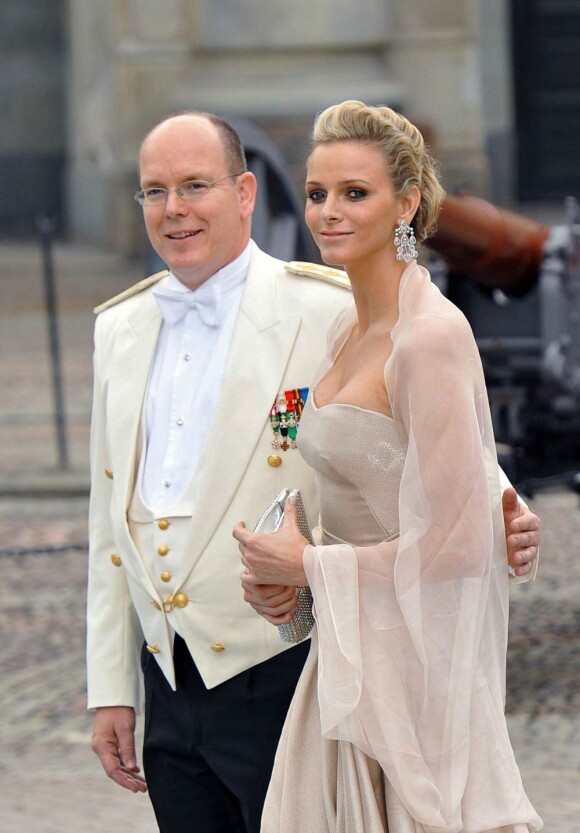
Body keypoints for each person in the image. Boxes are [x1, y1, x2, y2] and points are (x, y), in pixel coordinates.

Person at [87, 110, 540, 833]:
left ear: (243, 193)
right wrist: (109, 685)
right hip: (177, 680)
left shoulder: (321, 307)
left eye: (194, 185)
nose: (173, 208)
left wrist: (504, 511)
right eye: (153, 190)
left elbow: (451, 468)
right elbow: (110, 516)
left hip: (288, 671)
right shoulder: (121, 330)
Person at [234, 100, 542, 832]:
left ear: (407, 201)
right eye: (317, 194)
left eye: (354, 193)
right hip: (345, 651)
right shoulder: (341, 327)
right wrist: (279, 568)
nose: (327, 212)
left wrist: (308, 567)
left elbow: (458, 544)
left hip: (412, 676)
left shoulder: (429, 338)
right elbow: (297, 442)